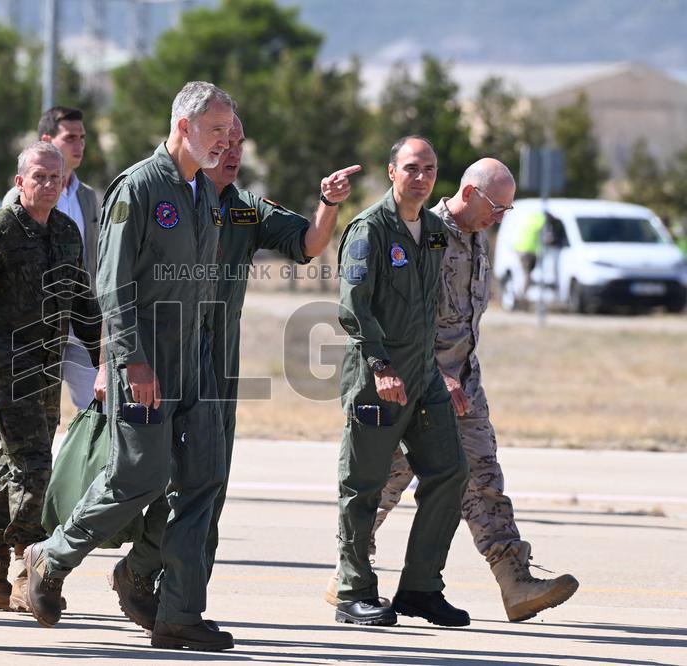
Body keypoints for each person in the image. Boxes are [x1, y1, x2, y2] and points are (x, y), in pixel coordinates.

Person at [110, 112, 362, 630]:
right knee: (156, 478)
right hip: (161, 355)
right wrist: (116, 358)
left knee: (209, 483)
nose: (232, 150)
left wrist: (330, 202)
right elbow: (117, 283)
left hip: (219, 363)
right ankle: (136, 571)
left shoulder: (246, 210)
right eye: (222, 139)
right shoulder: (165, 198)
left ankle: (174, 600)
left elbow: (310, 244)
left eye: (239, 142)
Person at [22, 81, 235, 652]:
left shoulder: (205, 193)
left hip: (195, 361)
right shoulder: (139, 188)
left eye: (229, 131)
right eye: (216, 130)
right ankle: (50, 557)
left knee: (204, 481)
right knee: (137, 478)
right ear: (185, 127)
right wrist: (132, 361)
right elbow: (112, 287)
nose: (225, 141)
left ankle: (176, 613)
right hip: (145, 361)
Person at [327, 158, 579, 622]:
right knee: (382, 481)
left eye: (507, 209)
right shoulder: (426, 232)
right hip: (415, 380)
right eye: (496, 206)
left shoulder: (475, 235)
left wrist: (457, 375)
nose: (501, 217)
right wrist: (433, 373)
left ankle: (514, 582)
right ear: (469, 193)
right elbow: (396, 310)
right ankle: (349, 575)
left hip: (462, 382)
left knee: (477, 476)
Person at [0, 141, 100, 614]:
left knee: (14, 463)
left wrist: (104, 359)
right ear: (20, 181)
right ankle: (26, 565)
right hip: (5, 363)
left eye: (56, 178)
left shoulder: (67, 231)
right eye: (39, 176)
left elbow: (82, 303)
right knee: (35, 465)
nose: (49, 185)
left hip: (47, 362)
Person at [333, 136, 470, 628]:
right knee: (362, 486)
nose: (422, 176)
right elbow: (353, 305)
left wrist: (441, 371)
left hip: (424, 376)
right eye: (412, 167)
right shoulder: (369, 229)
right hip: (377, 377)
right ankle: (354, 591)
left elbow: (430, 306)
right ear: (392, 172)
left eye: (429, 168)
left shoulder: (434, 230)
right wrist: (380, 365)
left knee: (450, 472)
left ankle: (420, 588)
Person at [3, 107, 100, 409]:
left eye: (82, 137)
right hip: (36, 326)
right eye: (70, 137)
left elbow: (93, 258)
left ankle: (89, 458)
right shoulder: (17, 199)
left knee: (98, 406)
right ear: (47, 139)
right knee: (35, 414)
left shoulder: (87, 196)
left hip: (79, 320)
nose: (79, 144)